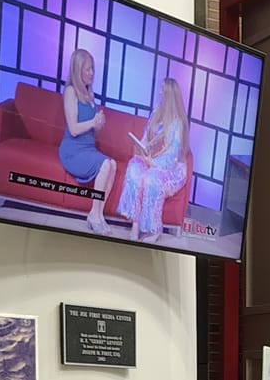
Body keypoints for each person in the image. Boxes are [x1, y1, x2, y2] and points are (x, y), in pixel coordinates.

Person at [115, 76, 190, 241]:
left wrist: (153, 163)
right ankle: (135, 225)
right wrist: (140, 149)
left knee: (151, 178)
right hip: (151, 159)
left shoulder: (178, 123)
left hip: (170, 169)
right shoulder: (156, 113)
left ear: (169, 95)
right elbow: (146, 139)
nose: (159, 92)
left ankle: (153, 229)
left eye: (162, 90)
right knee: (134, 167)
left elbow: (172, 156)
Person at [58, 47, 116, 233]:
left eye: (92, 69)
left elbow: (91, 131)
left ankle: (97, 214)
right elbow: (74, 129)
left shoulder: (90, 93)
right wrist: (93, 122)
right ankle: (94, 216)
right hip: (73, 150)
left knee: (113, 164)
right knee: (105, 165)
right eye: (88, 69)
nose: (92, 73)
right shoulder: (70, 91)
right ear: (78, 70)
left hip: (88, 148)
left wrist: (98, 125)